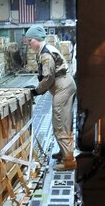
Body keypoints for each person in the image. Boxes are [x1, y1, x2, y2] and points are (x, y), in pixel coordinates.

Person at [24, 25, 77, 169]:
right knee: (62, 121)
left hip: (63, 87)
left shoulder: (46, 54)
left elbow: (48, 78)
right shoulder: (44, 51)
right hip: (63, 86)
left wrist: (36, 91)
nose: (29, 44)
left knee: (60, 122)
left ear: (37, 39)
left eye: (30, 41)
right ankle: (64, 152)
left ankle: (69, 161)